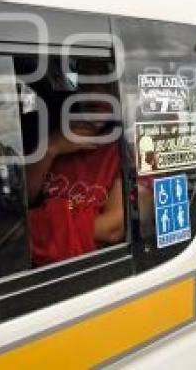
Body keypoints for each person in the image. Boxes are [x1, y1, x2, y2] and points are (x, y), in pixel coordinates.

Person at [25, 62, 125, 268]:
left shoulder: (129, 149)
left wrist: (31, 227)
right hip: (34, 274)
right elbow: (23, 197)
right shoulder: (55, 139)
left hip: (91, 275)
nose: (93, 95)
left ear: (120, 89)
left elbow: (111, 229)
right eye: (86, 83)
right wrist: (51, 148)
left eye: (104, 83)